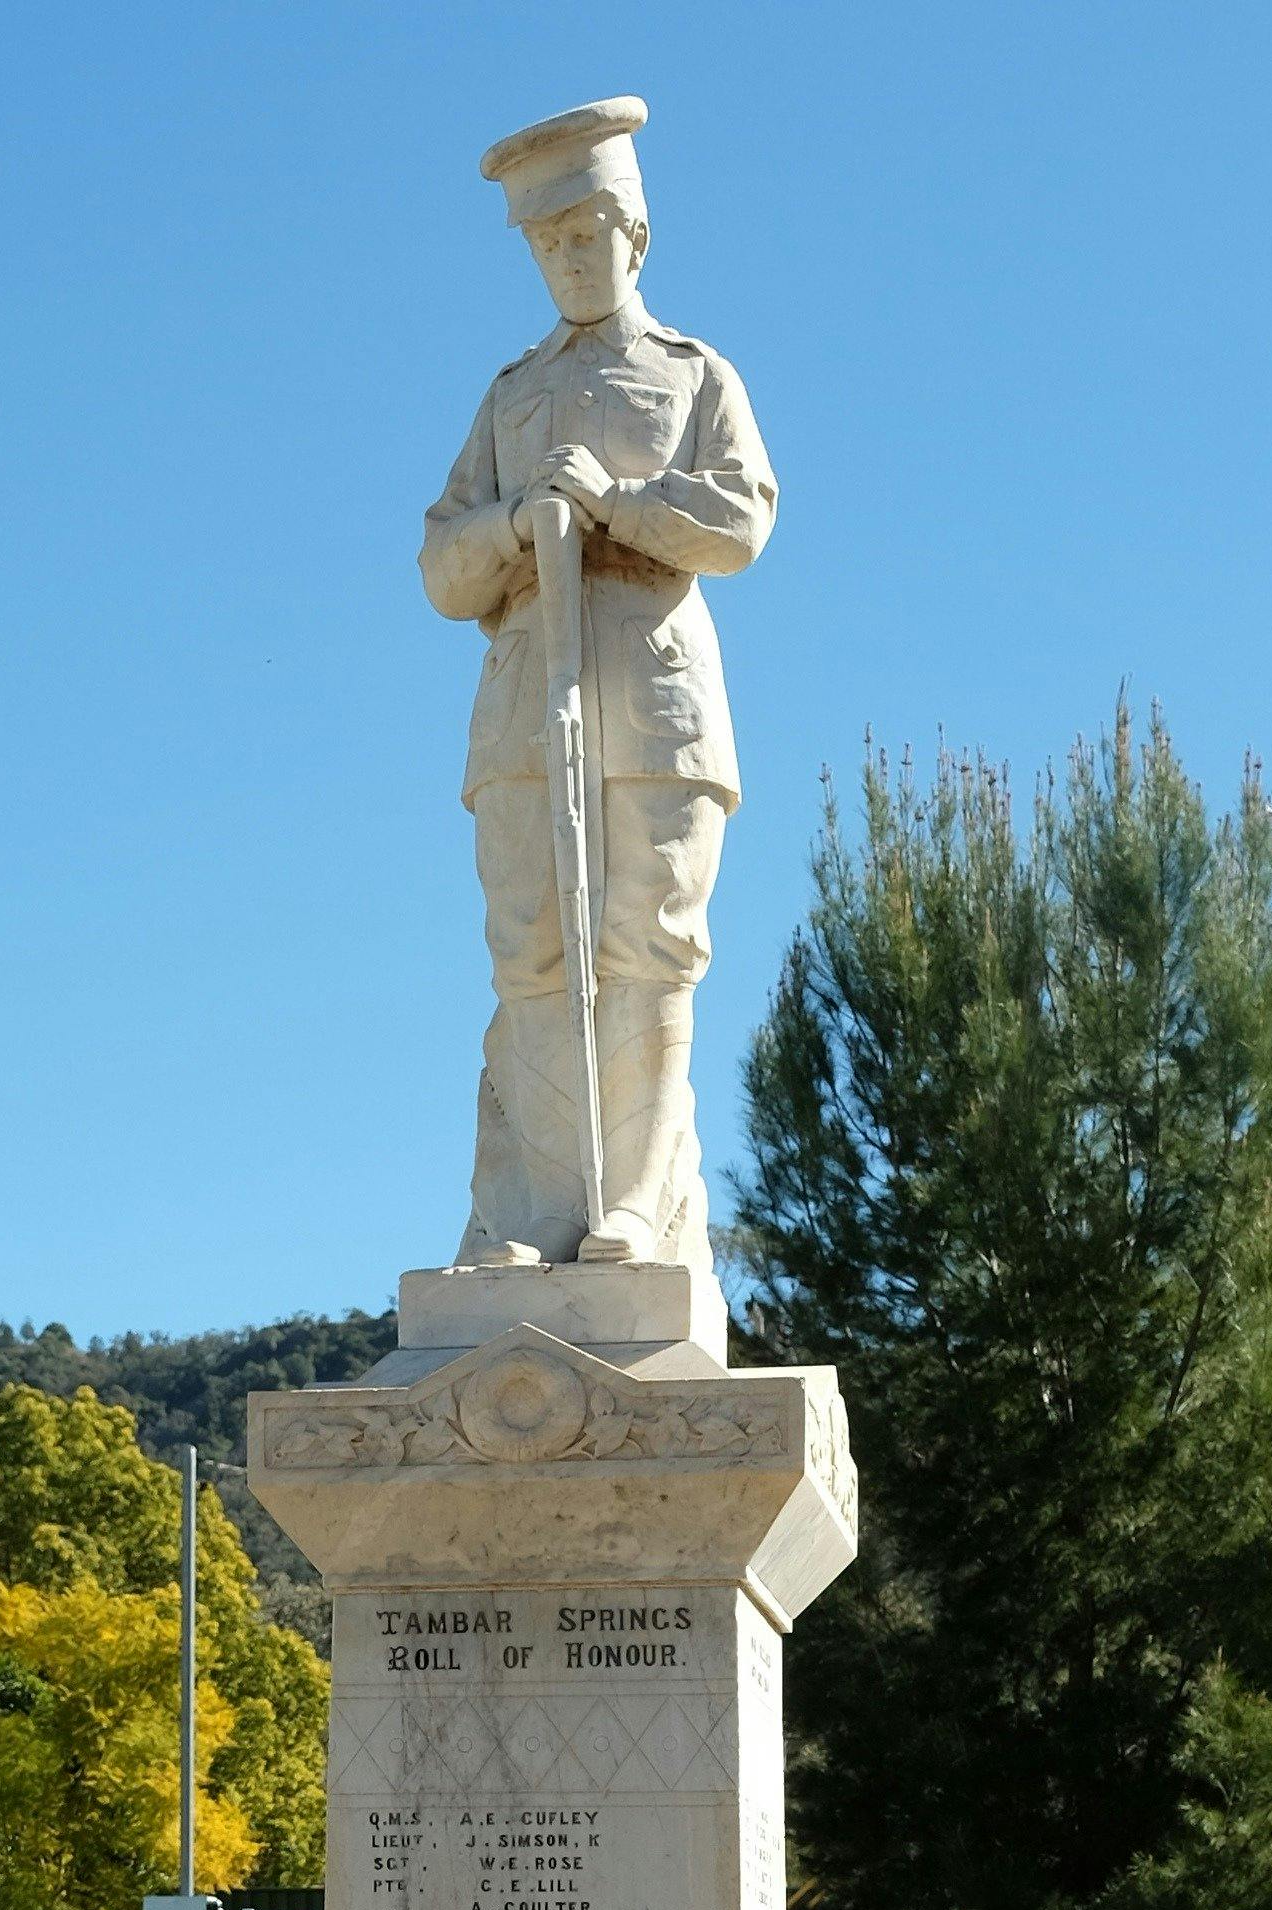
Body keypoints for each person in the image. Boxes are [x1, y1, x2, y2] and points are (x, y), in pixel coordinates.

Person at [420, 96, 777, 1272]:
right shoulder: (509, 395)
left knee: (645, 944)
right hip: (529, 695)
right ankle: (529, 1209)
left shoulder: (693, 376)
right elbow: (440, 561)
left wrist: (618, 504)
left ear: (637, 236)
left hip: (654, 693)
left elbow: (740, 520)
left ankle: (633, 1202)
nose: (570, 258)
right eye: (548, 242)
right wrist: (521, 525)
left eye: (589, 234)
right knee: (531, 945)